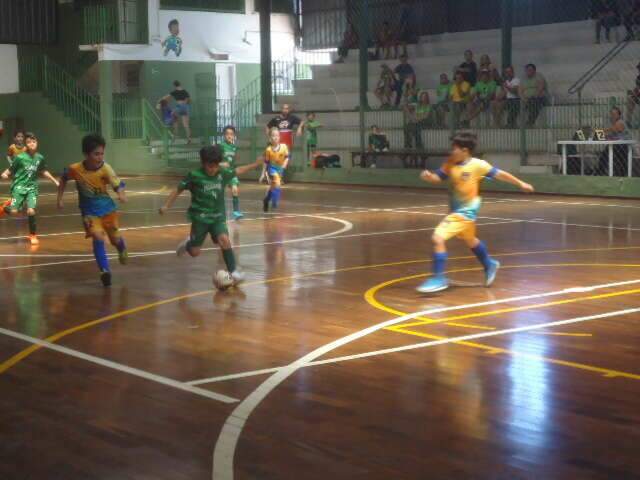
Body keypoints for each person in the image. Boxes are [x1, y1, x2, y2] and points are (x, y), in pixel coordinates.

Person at [416, 132, 534, 293]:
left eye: (455, 148)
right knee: (470, 239)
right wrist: (429, 176)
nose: (452, 151)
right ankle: (489, 264)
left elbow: (501, 174)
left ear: (465, 150)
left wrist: (521, 183)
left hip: (465, 212)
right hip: (457, 211)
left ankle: (438, 278)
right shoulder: (451, 162)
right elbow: (439, 177)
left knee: (437, 237)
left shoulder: (478, 165)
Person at [159, 145, 261, 285]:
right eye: (209, 166)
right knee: (195, 252)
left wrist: (255, 164)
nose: (213, 169)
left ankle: (234, 271)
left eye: (215, 166)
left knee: (224, 239)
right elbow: (178, 190)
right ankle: (189, 244)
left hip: (217, 218)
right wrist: (166, 205)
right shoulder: (194, 176)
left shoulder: (222, 173)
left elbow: (238, 170)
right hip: (200, 219)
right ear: (203, 163)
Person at [57, 134, 128, 287]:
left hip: (108, 210)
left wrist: (121, 195)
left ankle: (121, 247)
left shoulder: (106, 169)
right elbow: (63, 179)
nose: (100, 157)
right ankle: (104, 271)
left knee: (115, 239)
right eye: (96, 154)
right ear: (86, 154)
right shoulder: (75, 169)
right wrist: (60, 199)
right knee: (98, 237)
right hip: (89, 213)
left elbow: (118, 184)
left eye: (102, 153)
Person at [0, 132, 59, 246]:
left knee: (31, 211)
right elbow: (11, 169)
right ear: (26, 145)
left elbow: (43, 171)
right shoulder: (20, 157)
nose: (31, 144)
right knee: (14, 211)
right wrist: (5, 174)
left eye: (33, 141)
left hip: (32, 187)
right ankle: (5, 207)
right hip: (19, 186)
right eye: (28, 142)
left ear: (37, 143)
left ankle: (32, 235)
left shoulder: (40, 157)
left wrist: (55, 180)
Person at [597, 107, 632, 176]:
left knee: (605, 155)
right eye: (612, 114)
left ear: (619, 115)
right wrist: (602, 136)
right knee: (604, 155)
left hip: (623, 146)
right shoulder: (614, 123)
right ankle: (601, 172)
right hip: (616, 146)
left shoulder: (620, 122)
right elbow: (611, 135)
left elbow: (612, 129)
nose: (613, 116)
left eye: (615, 114)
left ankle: (601, 172)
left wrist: (599, 131)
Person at [262, 128, 289, 212]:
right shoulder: (268, 150)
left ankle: (266, 200)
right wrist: (263, 173)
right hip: (272, 169)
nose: (275, 137)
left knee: (273, 187)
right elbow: (266, 162)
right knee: (277, 183)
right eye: (273, 135)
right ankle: (274, 202)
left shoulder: (284, 147)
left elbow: (287, 157)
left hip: (280, 169)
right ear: (270, 138)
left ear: (279, 137)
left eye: (277, 135)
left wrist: (284, 164)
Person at [219, 125, 244, 220]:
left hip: (231, 172)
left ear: (234, 135)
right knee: (219, 193)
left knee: (235, 190)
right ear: (224, 135)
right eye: (227, 134)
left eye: (231, 134)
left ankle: (236, 211)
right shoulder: (220, 146)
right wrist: (221, 164)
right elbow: (215, 161)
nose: (229, 136)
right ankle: (218, 211)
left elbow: (232, 161)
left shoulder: (234, 147)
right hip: (221, 173)